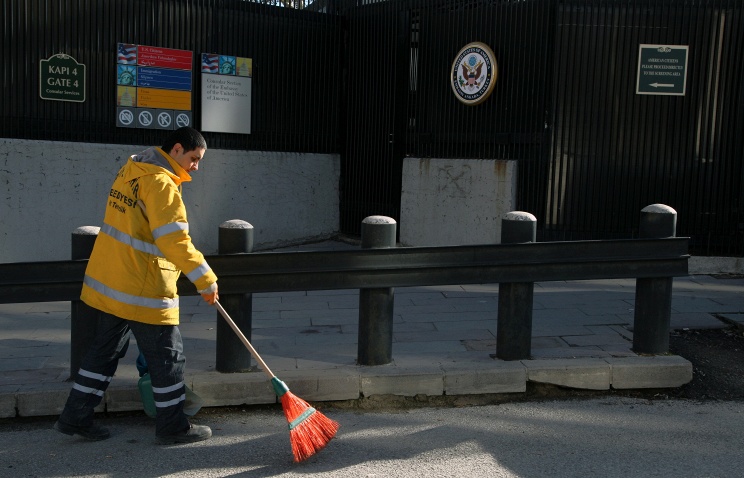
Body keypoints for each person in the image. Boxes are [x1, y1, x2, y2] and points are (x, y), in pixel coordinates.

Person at [54, 127, 219, 444]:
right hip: (143, 287)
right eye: (194, 158)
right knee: (169, 357)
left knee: (103, 353)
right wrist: (205, 279)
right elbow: (174, 240)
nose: (196, 166)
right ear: (176, 150)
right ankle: (173, 426)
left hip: (112, 281)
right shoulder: (161, 184)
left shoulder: (131, 169)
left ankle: (76, 417)